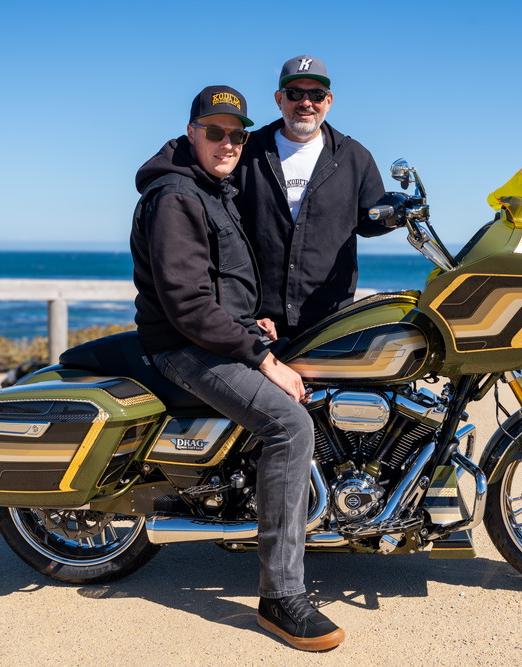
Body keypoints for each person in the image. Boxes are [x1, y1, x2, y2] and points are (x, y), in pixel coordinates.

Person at [129, 85, 345, 652]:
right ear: (192, 132)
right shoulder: (175, 196)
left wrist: (251, 322)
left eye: (237, 134)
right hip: (184, 347)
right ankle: (281, 597)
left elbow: (218, 286)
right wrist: (260, 356)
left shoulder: (212, 189)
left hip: (214, 337)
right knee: (289, 424)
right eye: (216, 131)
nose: (228, 143)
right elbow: (187, 305)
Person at [236, 55, 396, 339]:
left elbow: (370, 222)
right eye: (295, 93)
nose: (306, 102)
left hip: (329, 320)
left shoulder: (355, 157)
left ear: (329, 101)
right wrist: (239, 311)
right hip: (257, 320)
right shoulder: (247, 151)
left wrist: (396, 213)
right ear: (279, 99)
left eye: (317, 95)